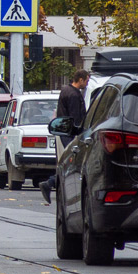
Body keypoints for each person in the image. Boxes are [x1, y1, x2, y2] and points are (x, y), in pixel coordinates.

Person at [40, 70, 90, 205]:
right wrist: (81, 131)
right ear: (80, 79)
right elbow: (76, 117)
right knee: (71, 163)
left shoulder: (65, 90)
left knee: (68, 163)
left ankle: (50, 183)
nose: (87, 83)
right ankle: (50, 182)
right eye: (86, 80)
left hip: (64, 131)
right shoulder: (74, 95)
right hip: (71, 134)